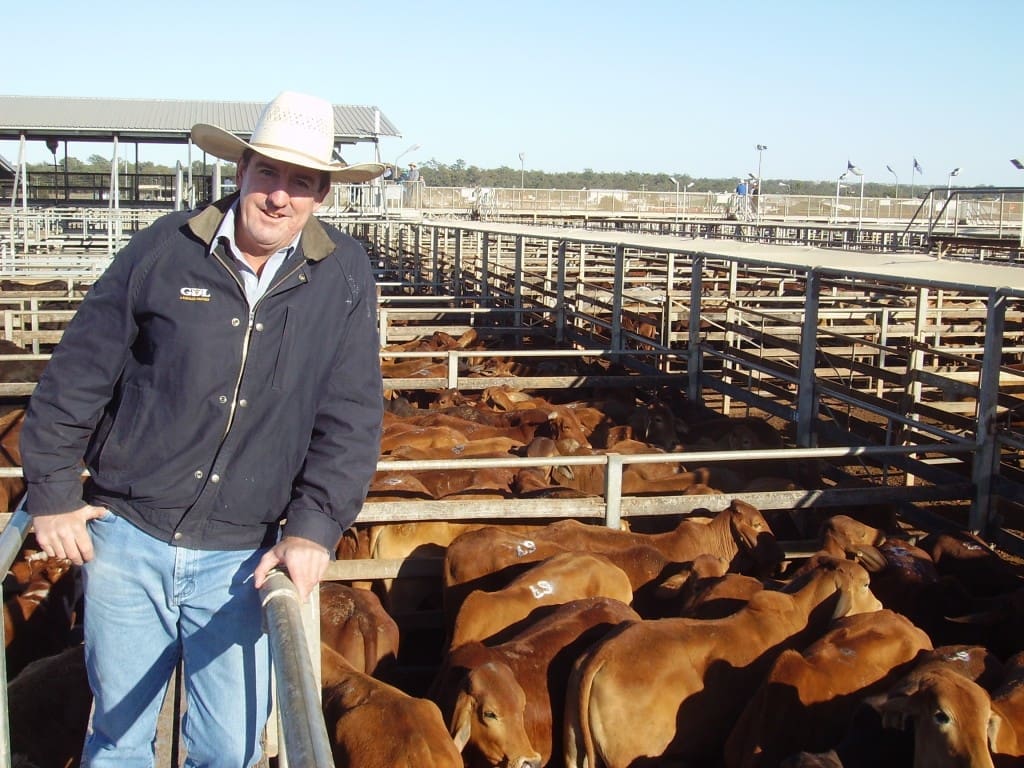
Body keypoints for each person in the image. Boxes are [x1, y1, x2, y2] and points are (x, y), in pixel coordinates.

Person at [19, 90, 386, 768]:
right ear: (241, 168)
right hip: (130, 538)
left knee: (229, 746)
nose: (280, 196)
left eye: (301, 182)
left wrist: (315, 526)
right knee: (118, 737)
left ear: (323, 195)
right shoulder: (165, 249)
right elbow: (78, 372)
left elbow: (353, 412)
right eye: (269, 173)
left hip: (244, 557)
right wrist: (50, 492)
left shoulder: (342, 275)